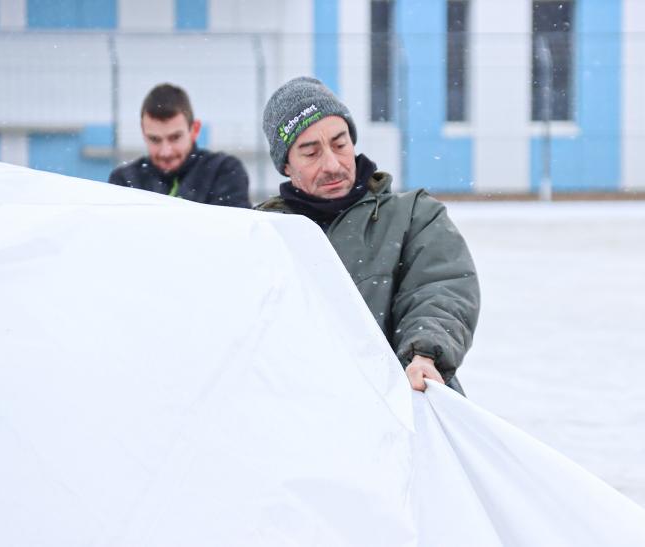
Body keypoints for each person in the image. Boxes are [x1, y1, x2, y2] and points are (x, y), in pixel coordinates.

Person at [255, 77, 479, 393]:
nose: (332, 164)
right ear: (286, 166)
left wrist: (424, 352)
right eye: (310, 152)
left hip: (400, 406)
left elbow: (440, 289)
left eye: (339, 144)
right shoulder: (261, 235)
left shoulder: (414, 216)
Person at [108, 83, 251, 208]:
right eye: (155, 139)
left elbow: (232, 233)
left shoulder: (223, 171)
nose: (166, 152)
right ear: (143, 133)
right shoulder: (124, 180)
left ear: (194, 130)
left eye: (175, 137)